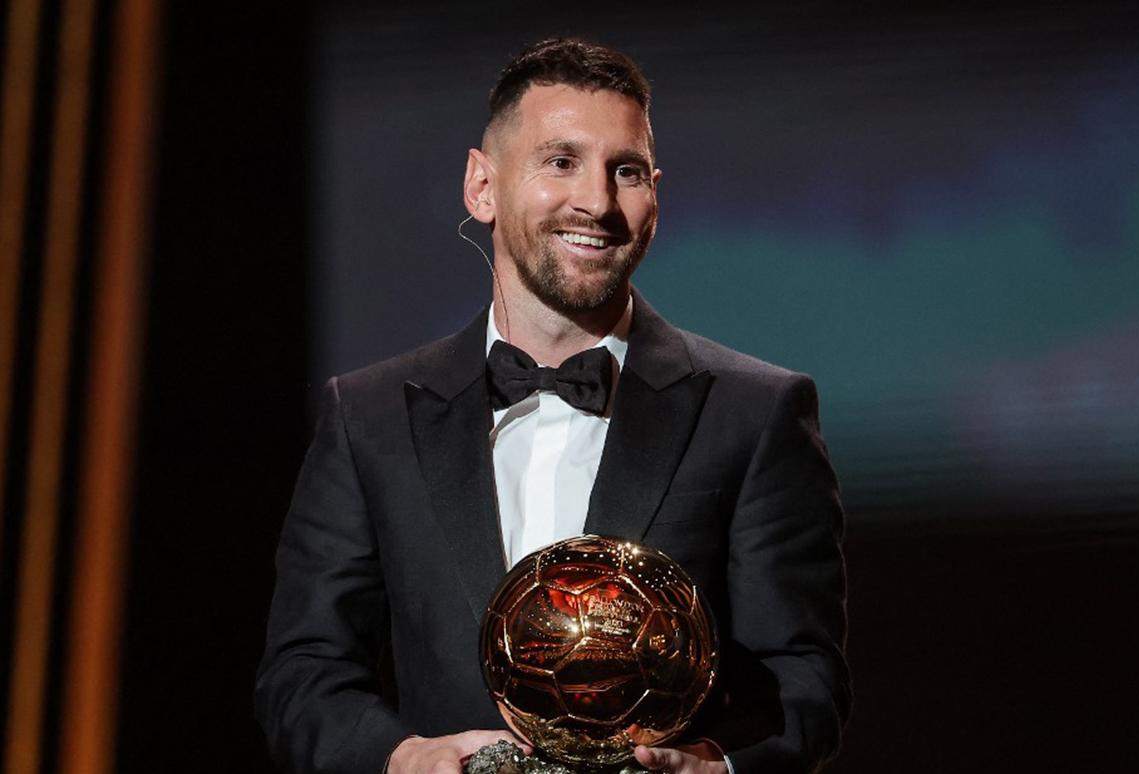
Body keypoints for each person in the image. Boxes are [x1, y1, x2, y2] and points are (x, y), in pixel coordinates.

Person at [255, 38, 850, 774]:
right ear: (482, 186)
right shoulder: (368, 417)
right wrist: (403, 758)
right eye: (560, 161)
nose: (596, 202)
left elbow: (803, 682)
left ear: (655, 196)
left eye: (625, 171)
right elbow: (303, 672)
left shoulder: (756, 413)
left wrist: (715, 767)